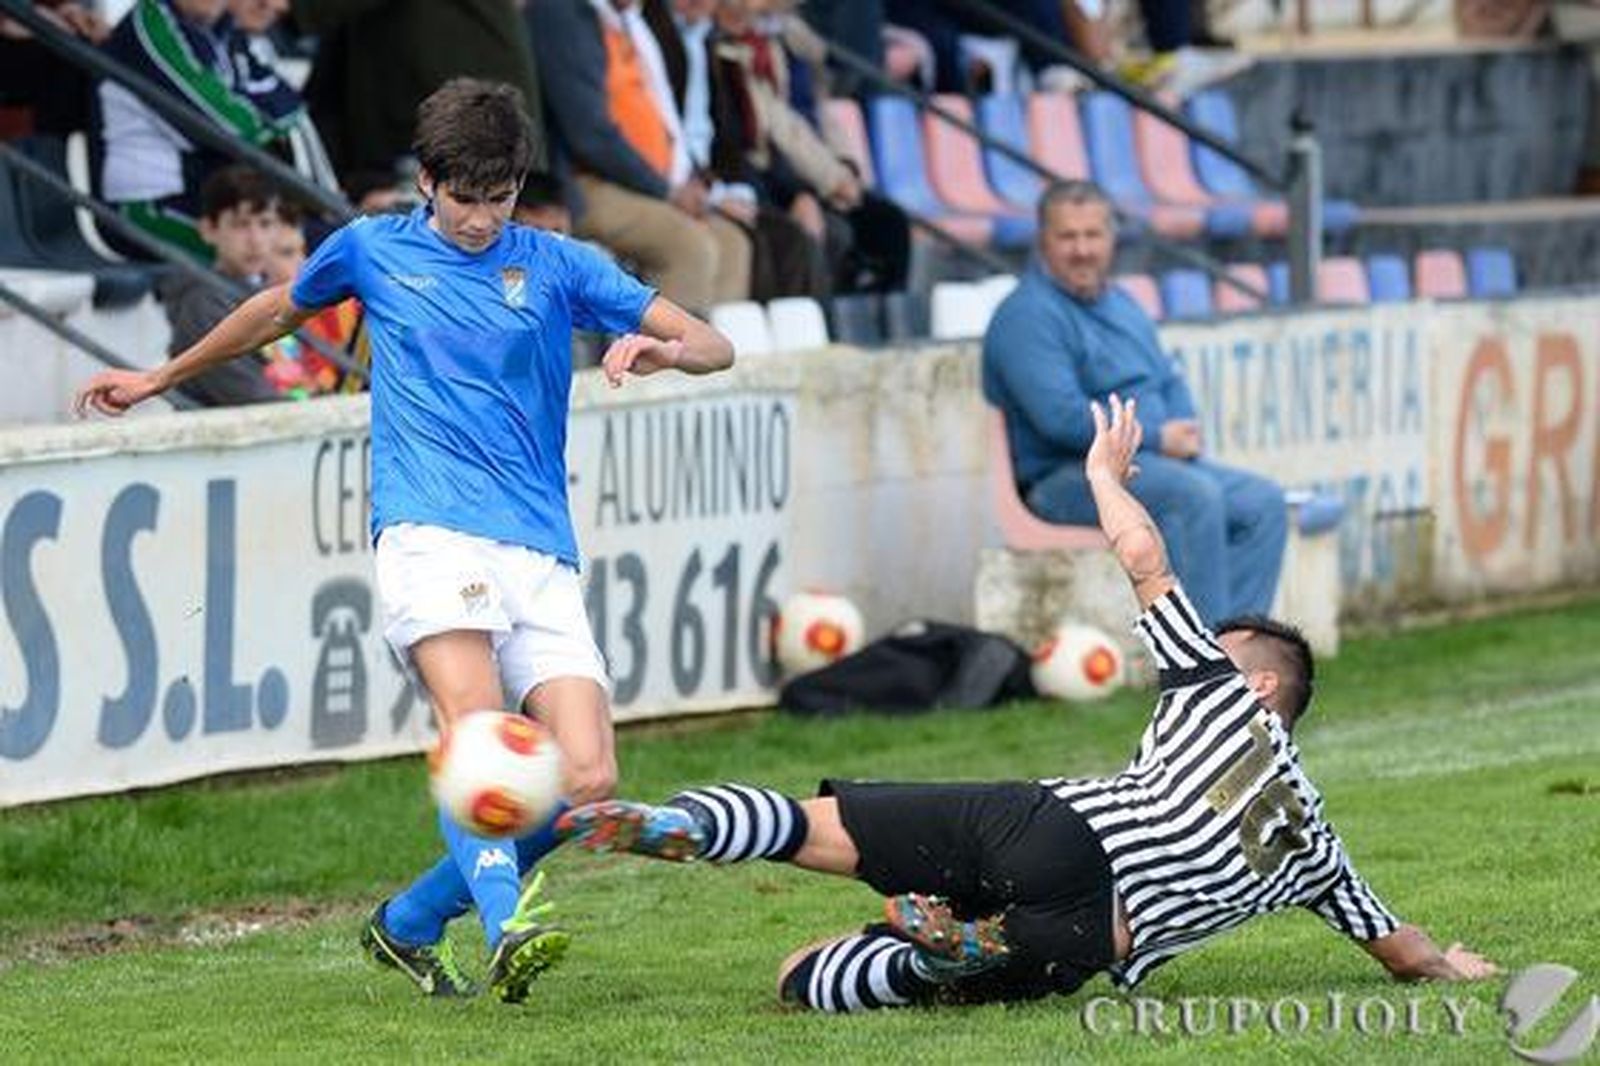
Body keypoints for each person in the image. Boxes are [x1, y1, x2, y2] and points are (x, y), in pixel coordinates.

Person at [75, 77, 735, 1003]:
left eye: (498, 198)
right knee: (476, 733)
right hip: (426, 526)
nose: (479, 218)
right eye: (464, 197)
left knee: (587, 778)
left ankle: (412, 921)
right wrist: (159, 375)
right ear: (427, 180)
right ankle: (511, 928)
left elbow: (713, 343)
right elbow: (276, 311)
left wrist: (659, 349)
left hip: (537, 541)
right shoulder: (371, 250)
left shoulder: (555, 264)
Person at [556, 394, 1499, 1012]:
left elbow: (1146, 562)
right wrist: (1459, 968)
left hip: (1051, 831)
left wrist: (1101, 477)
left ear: (1260, 687)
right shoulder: (1317, 852)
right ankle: (942, 955)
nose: (1207, 647)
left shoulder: (1222, 701)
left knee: (810, 830)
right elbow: (1404, 952)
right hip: (1085, 939)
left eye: (1225, 647)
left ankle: (665, 823)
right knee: (802, 978)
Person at [983, 179, 1286, 624]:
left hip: (1150, 464)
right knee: (1193, 497)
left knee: (1262, 503)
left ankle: (1236, 649)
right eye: (1068, 236)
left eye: (1093, 235)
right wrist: (1161, 437)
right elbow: (1061, 419)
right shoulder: (1027, 315)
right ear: (1043, 241)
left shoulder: (1121, 302)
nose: (1082, 249)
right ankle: (1203, 669)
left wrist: (1183, 424)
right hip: (1069, 477)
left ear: (1111, 238)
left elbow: (1166, 377)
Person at [527, 0, 752, 314]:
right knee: (688, 246)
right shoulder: (564, 13)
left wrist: (685, 182)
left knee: (731, 243)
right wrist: (667, 191)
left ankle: (723, 360)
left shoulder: (627, 22)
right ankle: (669, 360)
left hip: (642, 183)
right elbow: (590, 135)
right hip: (589, 183)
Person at [97, 0, 329, 260]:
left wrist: (251, 112)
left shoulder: (222, 29)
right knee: (291, 250)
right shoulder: (151, 21)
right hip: (148, 206)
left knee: (326, 240)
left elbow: (288, 103)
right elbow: (226, 124)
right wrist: (260, 120)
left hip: (210, 196)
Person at [155, 165, 284, 405]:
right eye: (240, 225)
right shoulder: (203, 304)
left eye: (265, 224)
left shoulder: (273, 288)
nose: (255, 240)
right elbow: (251, 398)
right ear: (209, 230)